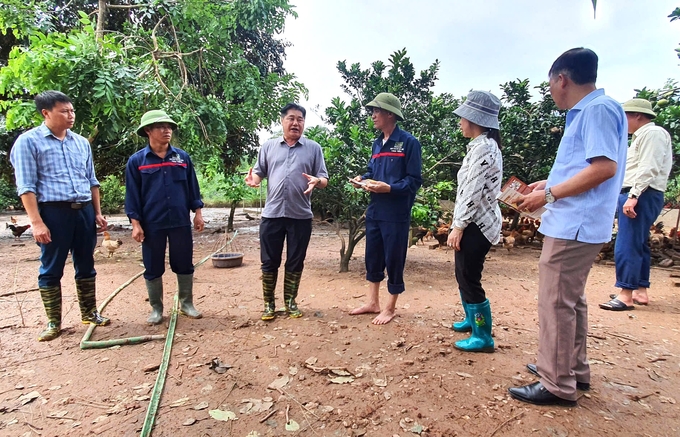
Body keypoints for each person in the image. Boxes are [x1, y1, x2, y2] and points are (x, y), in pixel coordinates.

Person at [509, 48, 628, 406]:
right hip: (576, 221)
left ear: (562, 79)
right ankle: (571, 369)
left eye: (550, 84)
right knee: (570, 300)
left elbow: (603, 168)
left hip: (573, 224)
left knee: (556, 302)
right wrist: (546, 184)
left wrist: (551, 196)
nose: (550, 91)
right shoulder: (595, 112)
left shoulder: (596, 111)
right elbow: (584, 165)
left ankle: (557, 383)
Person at [9, 90, 110, 341]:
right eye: (64, 111)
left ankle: (89, 312)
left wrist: (97, 213)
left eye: (72, 110)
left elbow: (92, 181)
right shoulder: (28, 142)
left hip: (84, 211)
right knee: (51, 267)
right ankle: (54, 322)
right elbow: (27, 187)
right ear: (46, 113)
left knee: (86, 263)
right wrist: (36, 222)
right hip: (54, 213)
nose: (70, 115)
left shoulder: (80, 142)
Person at [245, 103, 328, 321]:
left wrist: (317, 181)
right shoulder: (268, 147)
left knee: (295, 260)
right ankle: (268, 304)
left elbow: (324, 179)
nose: (295, 123)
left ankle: (290, 301)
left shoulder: (313, 148)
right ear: (282, 121)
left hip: (300, 215)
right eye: (291, 118)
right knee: (269, 261)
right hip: (272, 215)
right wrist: (253, 181)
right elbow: (259, 173)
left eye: (300, 119)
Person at [125, 110, 205, 325]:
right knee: (152, 265)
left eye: (169, 126)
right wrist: (135, 224)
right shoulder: (137, 162)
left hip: (179, 221)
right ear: (148, 130)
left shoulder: (182, 158)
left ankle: (186, 303)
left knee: (184, 263)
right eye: (160, 126)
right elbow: (132, 195)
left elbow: (192, 188)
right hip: (152, 224)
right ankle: (156, 308)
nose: (166, 130)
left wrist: (197, 213)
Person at [349, 93, 423, 325]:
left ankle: (390, 308)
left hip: (396, 214)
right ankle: (373, 302)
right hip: (375, 212)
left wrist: (389, 188)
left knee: (394, 258)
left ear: (390, 114)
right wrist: (362, 178)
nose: (373, 115)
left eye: (377, 111)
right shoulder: (377, 143)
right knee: (373, 257)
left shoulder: (409, 143)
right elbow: (373, 172)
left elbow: (414, 180)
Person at [599, 98, 672, 311]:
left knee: (627, 243)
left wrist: (634, 195)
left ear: (637, 115)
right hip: (641, 193)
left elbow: (649, 167)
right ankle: (640, 291)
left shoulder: (652, 134)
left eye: (625, 117)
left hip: (641, 194)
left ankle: (625, 294)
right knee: (638, 242)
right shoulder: (644, 136)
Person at [447, 91, 503, 353]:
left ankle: (483, 335)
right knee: (463, 274)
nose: (460, 122)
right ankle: (471, 320)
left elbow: (472, 190)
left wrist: (459, 225)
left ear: (474, 119)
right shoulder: (483, 146)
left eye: (462, 117)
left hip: (477, 224)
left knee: (469, 277)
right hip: (475, 222)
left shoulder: (483, 148)